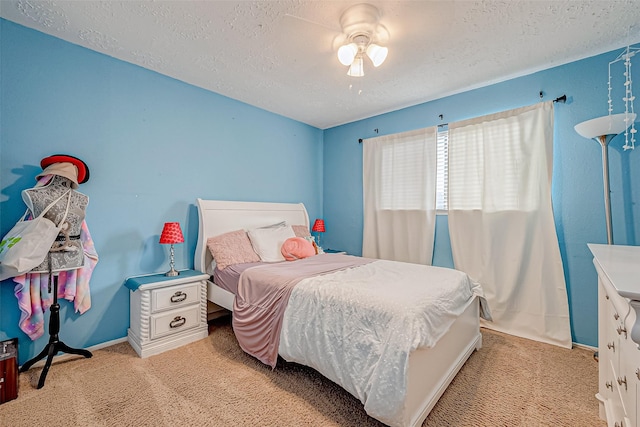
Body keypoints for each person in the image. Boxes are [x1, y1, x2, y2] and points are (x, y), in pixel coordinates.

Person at [21, 155, 90, 273]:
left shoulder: (82, 199)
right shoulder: (33, 194)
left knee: (65, 291)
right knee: (42, 291)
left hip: (73, 257)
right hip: (40, 258)